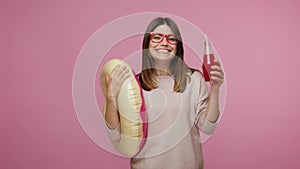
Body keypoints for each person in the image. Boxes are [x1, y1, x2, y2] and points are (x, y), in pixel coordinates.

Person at [103, 17, 224, 169]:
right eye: (157, 37)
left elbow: (208, 127)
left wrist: (215, 88)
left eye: (171, 39)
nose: (164, 43)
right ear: (147, 43)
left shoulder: (193, 80)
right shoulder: (134, 85)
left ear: (178, 46)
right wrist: (111, 97)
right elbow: (116, 135)